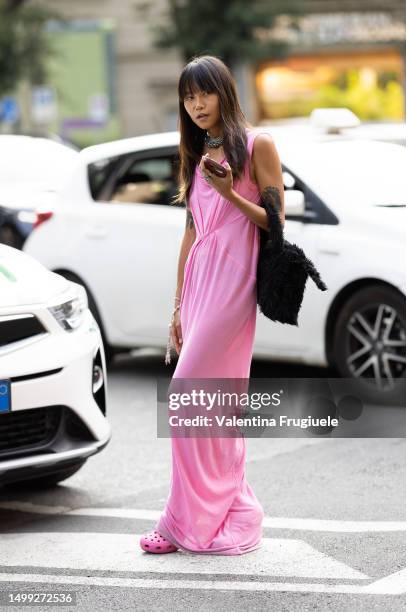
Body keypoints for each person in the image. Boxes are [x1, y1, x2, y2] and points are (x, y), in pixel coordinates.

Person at [140, 55, 285, 555]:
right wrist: (176, 307)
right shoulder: (198, 147)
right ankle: (217, 507)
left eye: (204, 93)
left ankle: (184, 518)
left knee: (186, 396)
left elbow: (275, 222)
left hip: (235, 283)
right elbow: (190, 231)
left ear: (224, 91)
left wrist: (230, 194)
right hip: (201, 283)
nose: (196, 104)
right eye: (188, 96)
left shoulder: (257, 145)